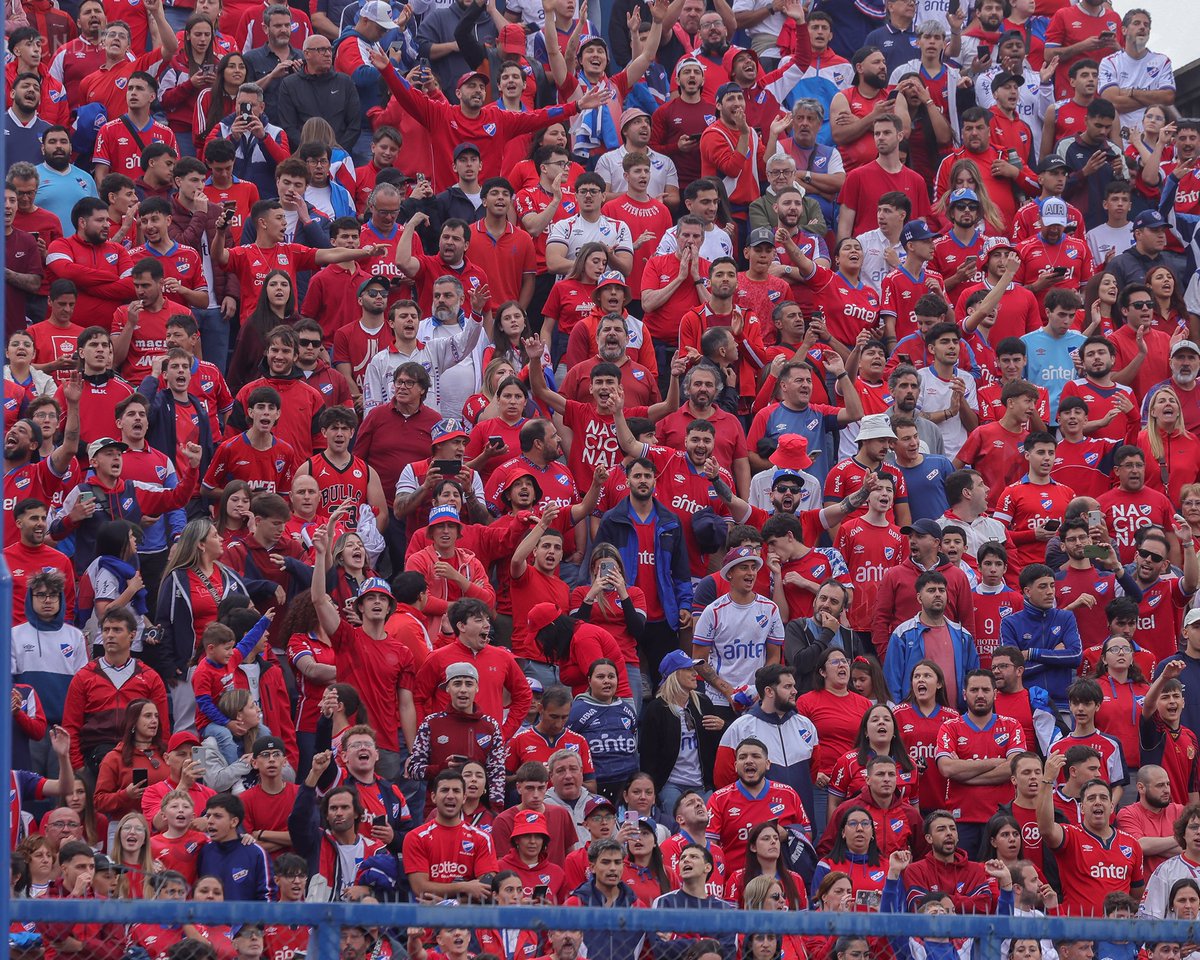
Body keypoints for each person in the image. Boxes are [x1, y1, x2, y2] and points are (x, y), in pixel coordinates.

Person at [1036, 751, 1145, 915]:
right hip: (1077, 929)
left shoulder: (1132, 844)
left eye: (1103, 798)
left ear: (1112, 806)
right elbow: (1046, 829)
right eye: (1091, 798)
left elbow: (1136, 894)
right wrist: (1047, 780)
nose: (1098, 802)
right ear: (1082, 808)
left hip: (1117, 929)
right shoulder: (1071, 835)